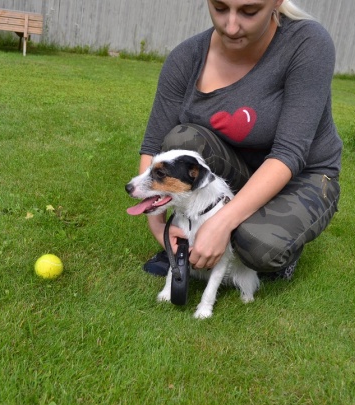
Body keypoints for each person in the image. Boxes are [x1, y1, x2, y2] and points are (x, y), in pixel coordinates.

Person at [137, 0, 342, 280]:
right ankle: (188, 233)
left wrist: (222, 222)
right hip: (236, 171)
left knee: (258, 245)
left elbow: (290, 152)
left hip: (302, 176)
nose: (231, 27)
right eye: (220, 8)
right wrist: (158, 225)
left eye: (249, 11)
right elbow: (154, 145)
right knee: (182, 139)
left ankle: (277, 242)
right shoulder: (187, 57)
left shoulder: (307, 43)